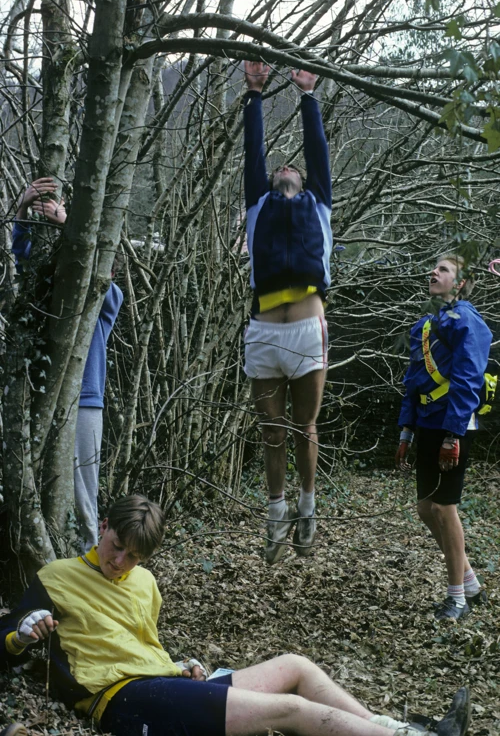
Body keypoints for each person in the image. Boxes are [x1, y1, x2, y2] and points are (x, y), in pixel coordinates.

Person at [0, 494, 470, 736]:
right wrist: (23, 633)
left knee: (296, 666)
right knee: (291, 711)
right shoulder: (57, 576)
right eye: (115, 546)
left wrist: (180, 666)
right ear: (102, 527)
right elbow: (8, 639)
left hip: (164, 683)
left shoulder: (144, 583)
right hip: (120, 699)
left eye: (133, 557)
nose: (119, 562)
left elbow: (142, 644)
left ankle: (403, 730)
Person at [242, 61, 332, 564]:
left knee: (305, 427)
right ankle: (275, 517)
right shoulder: (259, 205)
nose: (285, 168)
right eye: (280, 168)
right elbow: (251, 156)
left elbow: (317, 155)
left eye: (291, 168)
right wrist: (254, 95)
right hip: (262, 331)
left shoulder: (318, 204)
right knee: (271, 432)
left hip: (305, 327)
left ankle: (307, 507)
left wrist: (308, 95)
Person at [12, 177, 124, 552]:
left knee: (82, 493)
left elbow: (106, 283)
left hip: (86, 402)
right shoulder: (49, 297)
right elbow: (25, 263)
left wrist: (66, 223)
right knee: (38, 489)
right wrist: (23, 210)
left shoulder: (102, 303)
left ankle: (93, 560)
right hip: (44, 395)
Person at [395, 254, 492, 620]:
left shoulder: (468, 321)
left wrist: (453, 433)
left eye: (444, 270)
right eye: (435, 268)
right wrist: (406, 430)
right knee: (425, 508)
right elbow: (413, 381)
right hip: (427, 424)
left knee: (442, 507)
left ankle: (457, 599)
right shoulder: (424, 325)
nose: (434, 272)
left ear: (460, 283)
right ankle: (468, 581)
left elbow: (468, 380)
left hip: (454, 426)